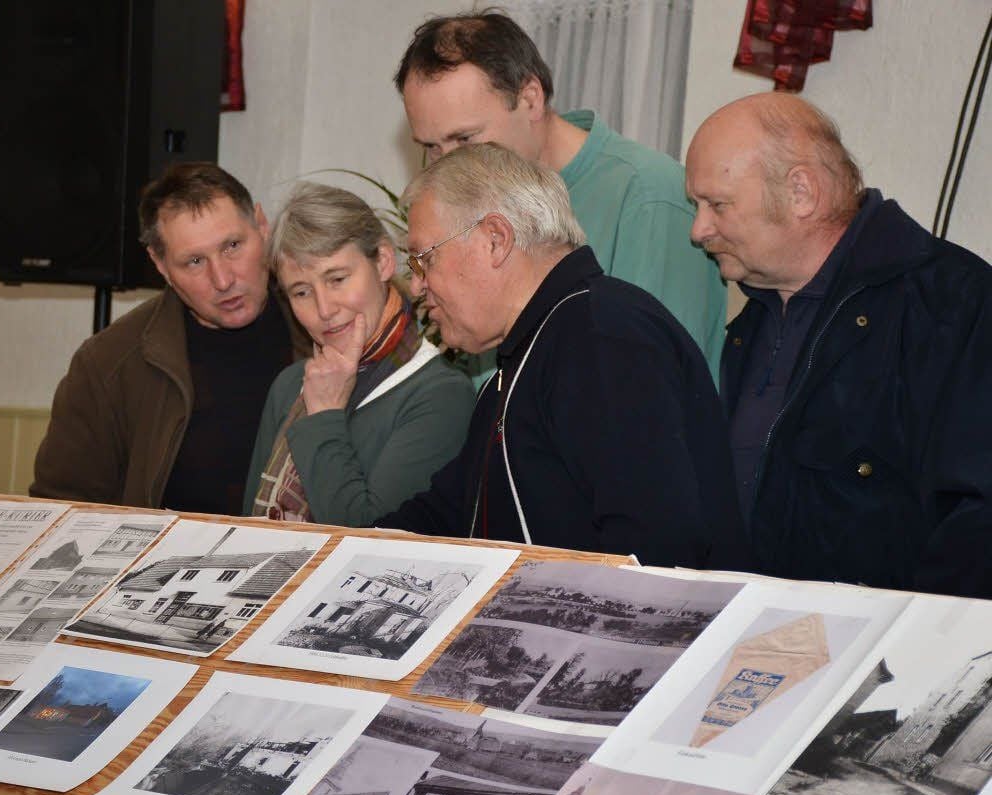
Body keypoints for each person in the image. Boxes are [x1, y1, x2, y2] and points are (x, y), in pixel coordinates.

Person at [375, 144, 744, 568]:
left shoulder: (602, 336)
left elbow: (654, 545)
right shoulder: (538, 344)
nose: (418, 286)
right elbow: (451, 511)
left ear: (495, 240)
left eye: (424, 259)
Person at [686, 92, 992, 599]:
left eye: (717, 204)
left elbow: (977, 520)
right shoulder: (754, 320)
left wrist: (909, 654)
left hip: (886, 659)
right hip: (755, 638)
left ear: (801, 191)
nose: (699, 230)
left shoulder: (953, 305)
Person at [395, 10, 726, 382]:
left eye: (466, 139)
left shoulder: (649, 197)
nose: (448, 164)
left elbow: (651, 384)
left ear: (531, 99)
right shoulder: (476, 203)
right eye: (432, 147)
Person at [31, 163, 310, 514]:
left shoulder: (320, 323)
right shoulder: (108, 363)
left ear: (262, 225)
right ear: (160, 264)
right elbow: (60, 508)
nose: (223, 279)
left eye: (233, 246)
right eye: (194, 261)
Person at [244, 183, 473, 525]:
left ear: (382, 262)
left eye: (337, 279)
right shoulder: (291, 384)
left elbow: (369, 538)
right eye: (302, 291)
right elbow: (247, 526)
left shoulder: (440, 393)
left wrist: (322, 417)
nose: (324, 309)